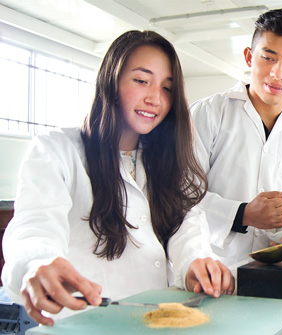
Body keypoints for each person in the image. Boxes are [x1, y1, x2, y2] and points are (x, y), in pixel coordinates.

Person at [1, 30, 234, 326]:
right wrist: (37, 262)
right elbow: (35, 225)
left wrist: (195, 262)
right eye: (141, 81)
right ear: (110, 80)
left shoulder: (165, 160)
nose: (154, 98)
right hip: (86, 325)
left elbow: (186, 226)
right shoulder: (57, 150)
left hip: (154, 322)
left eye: (167, 88)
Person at [191, 8, 282, 265]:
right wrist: (242, 213)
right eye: (268, 57)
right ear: (249, 57)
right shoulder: (209, 113)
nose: (278, 73)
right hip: (211, 266)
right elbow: (180, 195)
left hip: (277, 268)